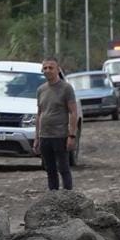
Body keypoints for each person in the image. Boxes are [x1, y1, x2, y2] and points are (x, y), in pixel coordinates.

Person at [32, 57, 79, 191]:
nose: (47, 70)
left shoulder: (66, 88)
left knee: (63, 169)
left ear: (58, 70)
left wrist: (72, 135)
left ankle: (69, 198)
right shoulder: (41, 90)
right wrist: (36, 138)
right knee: (50, 170)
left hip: (60, 136)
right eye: (45, 68)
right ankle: (53, 199)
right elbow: (40, 114)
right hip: (45, 136)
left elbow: (73, 112)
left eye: (51, 68)